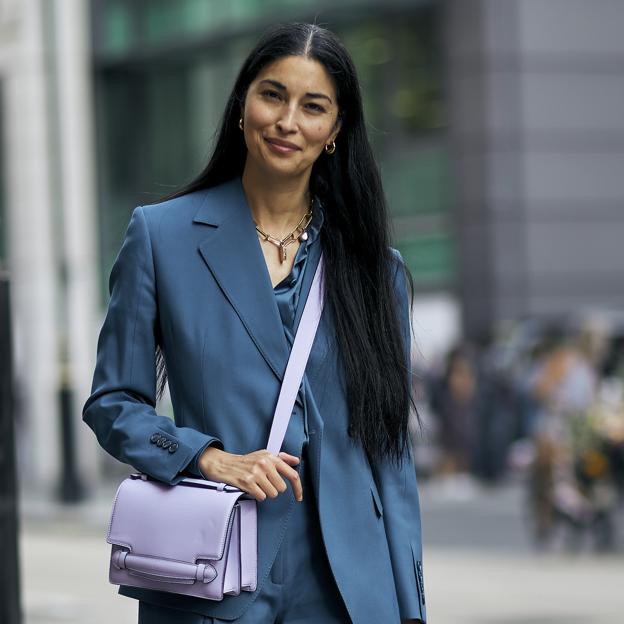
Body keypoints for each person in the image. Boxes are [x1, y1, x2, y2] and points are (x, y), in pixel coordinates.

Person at [82, 22, 426, 624]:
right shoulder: (161, 237)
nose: (287, 121)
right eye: (272, 95)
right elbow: (113, 401)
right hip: (213, 570)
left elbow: (389, 457)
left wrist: (410, 604)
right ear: (242, 106)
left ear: (335, 132)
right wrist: (206, 457)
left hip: (350, 585)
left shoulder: (376, 270)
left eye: (313, 106)